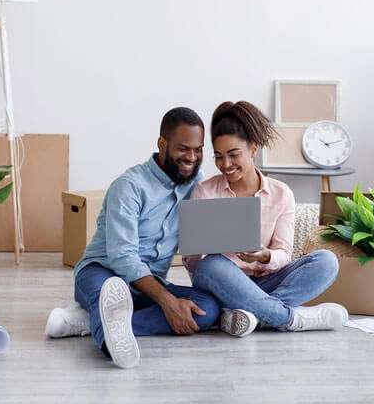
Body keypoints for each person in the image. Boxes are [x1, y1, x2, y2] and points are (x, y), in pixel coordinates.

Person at [60, 107, 221, 369]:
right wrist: (168, 301)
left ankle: (96, 322)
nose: (192, 157)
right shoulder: (129, 186)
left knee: (207, 308)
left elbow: (204, 236)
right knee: (108, 291)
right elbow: (122, 257)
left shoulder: (195, 182)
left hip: (149, 284)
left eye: (198, 149)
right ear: (162, 143)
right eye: (183, 148)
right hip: (103, 272)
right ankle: (109, 338)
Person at [184, 101, 347, 337]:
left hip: (267, 281)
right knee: (212, 264)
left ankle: (250, 316)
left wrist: (263, 255)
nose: (225, 165)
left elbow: (283, 253)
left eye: (233, 154)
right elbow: (194, 264)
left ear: (253, 148)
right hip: (222, 286)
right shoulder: (204, 192)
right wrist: (198, 246)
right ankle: (291, 318)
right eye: (218, 157)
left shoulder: (281, 194)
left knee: (326, 261)